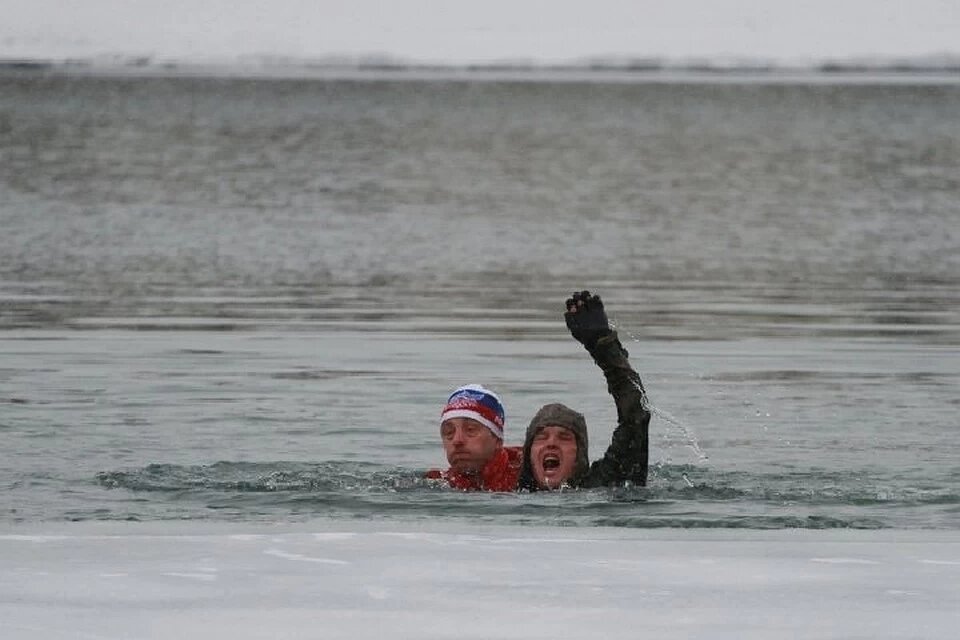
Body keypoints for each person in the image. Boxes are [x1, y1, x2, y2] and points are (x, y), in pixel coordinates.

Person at [517, 290, 650, 491]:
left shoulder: (604, 484)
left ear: (580, 454)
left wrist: (602, 346)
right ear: (528, 454)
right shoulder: (508, 494)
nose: (551, 443)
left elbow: (635, 416)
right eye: (541, 437)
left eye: (564, 437)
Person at [425, 384, 522, 491]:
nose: (457, 440)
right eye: (449, 432)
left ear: (498, 440)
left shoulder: (528, 475)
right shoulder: (437, 482)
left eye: (470, 430)